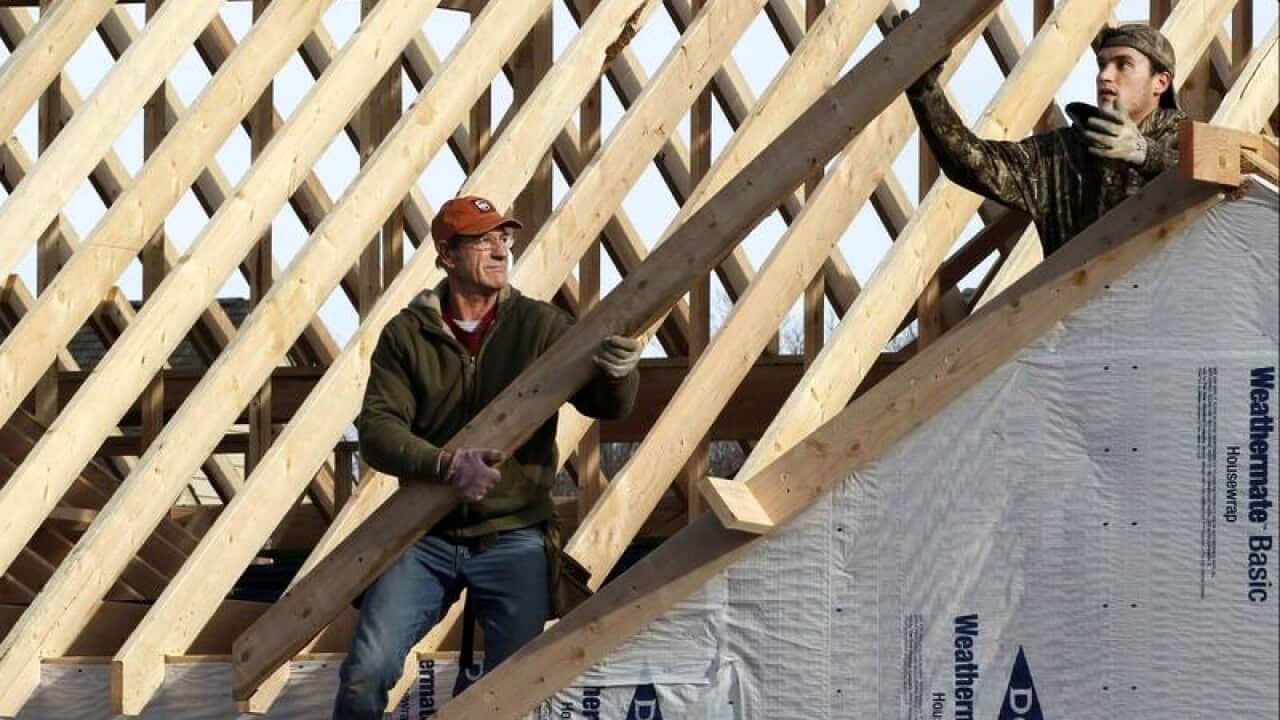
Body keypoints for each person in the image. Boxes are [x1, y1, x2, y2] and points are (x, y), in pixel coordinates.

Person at [333, 195, 641, 719]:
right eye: (483, 240)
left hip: (515, 533)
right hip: (424, 532)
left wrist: (620, 371)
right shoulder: (409, 335)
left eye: (505, 238)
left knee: (509, 691)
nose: (500, 250)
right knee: (366, 670)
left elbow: (604, 406)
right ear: (447, 256)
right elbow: (379, 432)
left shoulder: (540, 327)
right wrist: (447, 466)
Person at [896, 15, 1188, 255]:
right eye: (1101, 65)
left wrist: (1146, 154)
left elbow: (1230, 178)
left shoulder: (1189, 141)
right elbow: (971, 162)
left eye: (1123, 64)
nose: (1105, 75)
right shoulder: (1063, 154)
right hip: (1082, 317)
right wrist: (924, 90)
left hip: (1172, 317)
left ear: (1160, 82)